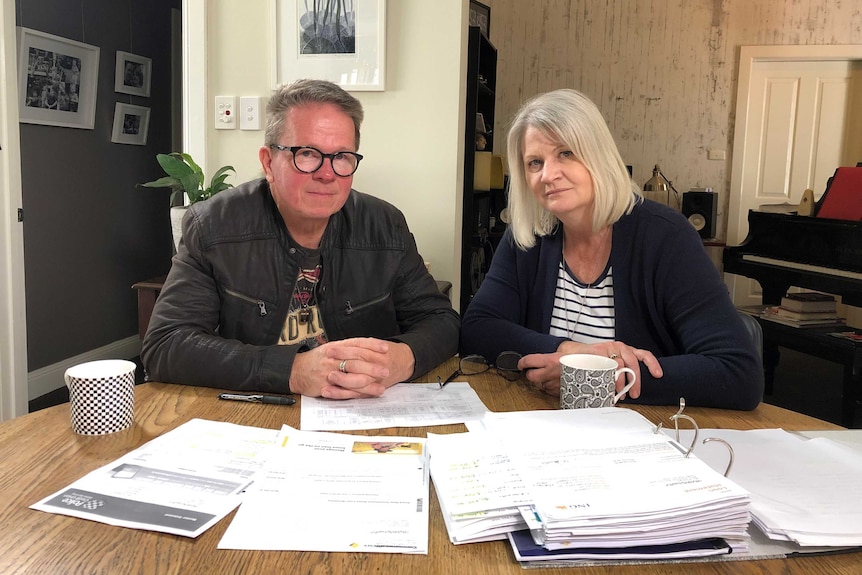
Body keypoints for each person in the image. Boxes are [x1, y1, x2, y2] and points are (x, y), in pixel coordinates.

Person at [142, 79, 459, 399]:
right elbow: (166, 343)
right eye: (307, 153)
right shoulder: (214, 225)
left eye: (342, 156)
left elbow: (442, 322)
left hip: (362, 415)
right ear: (268, 162)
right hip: (256, 414)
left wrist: (402, 359)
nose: (327, 173)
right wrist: (291, 371)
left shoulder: (385, 226)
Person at [460, 89, 763, 410]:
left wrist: (595, 377)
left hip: (645, 433)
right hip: (543, 424)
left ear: (598, 154)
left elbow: (739, 373)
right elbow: (477, 330)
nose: (549, 174)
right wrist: (573, 351)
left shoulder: (667, 237)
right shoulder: (527, 236)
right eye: (535, 162)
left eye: (565, 153)